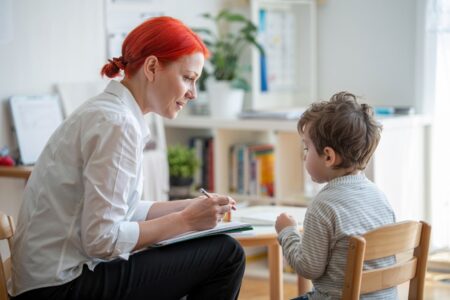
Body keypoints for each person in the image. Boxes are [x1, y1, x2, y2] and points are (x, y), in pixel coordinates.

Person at [9, 16, 245, 300]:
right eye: (188, 79)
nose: (193, 93)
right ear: (152, 67)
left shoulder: (109, 113)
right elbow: (102, 240)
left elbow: (120, 209)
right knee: (226, 254)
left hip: (46, 282)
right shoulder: (117, 124)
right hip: (59, 288)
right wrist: (186, 220)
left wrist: (188, 208)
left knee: (214, 251)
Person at [275, 92, 397, 300]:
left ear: (329, 156)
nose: (304, 156)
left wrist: (287, 232)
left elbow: (308, 268)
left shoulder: (324, 205)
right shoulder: (379, 196)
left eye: (307, 148)